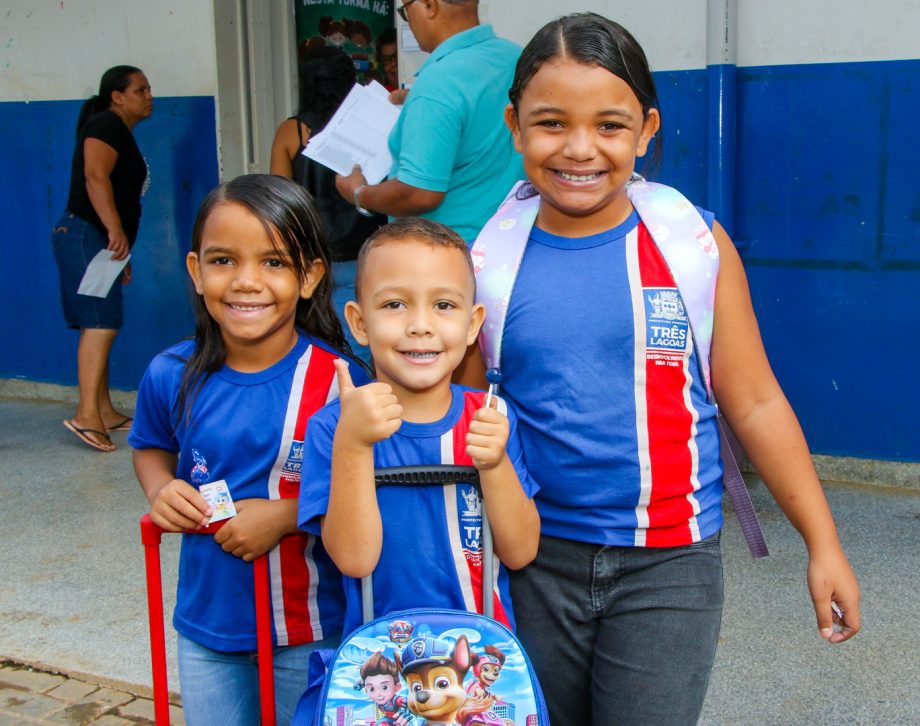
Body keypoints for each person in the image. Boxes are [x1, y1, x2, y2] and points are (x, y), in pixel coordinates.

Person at [456, 13, 862, 726]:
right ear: (514, 125)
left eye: (609, 126)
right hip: (533, 557)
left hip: (671, 563)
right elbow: (457, 416)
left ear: (647, 130)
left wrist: (822, 543)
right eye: (551, 124)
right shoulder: (486, 262)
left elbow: (756, 399)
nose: (580, 149)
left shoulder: (691, 243)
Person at [128, 175, 370, 725]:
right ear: (195, 271)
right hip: (207, 621)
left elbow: (369, 488)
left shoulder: (340, 382)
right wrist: (161, 488)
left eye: (274, 262)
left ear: (309, 277)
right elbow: (148, 447)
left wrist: (287, 515)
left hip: (310, 624)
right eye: (223, 261)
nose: (246, 282)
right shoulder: (169, 374)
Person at [298, 217, 540, 636]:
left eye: (443, 305)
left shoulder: (489, 417)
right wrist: (354, 445)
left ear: (472, 324)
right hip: (379, 667)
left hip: (484, 659)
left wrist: (496, 465)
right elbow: (354, 560)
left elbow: (520, 552)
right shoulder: (334, 427)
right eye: (394, 305)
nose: (420, 325)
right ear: (359, 322)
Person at [335, 0, 523, 243]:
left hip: (449, 253)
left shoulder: (438, 82)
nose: (409, 21)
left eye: (405, 11)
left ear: (428, 5)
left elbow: (420, 193)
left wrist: (359, 193)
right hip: (512, 241)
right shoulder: (517, 57)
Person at [52, 65, 152, 452]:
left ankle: (104, 410)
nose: (149, 96)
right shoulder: (106, 125)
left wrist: (119, 251)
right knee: (99, 323)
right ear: (117, 96)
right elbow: (95, 177)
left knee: (103, 320)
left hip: (97, 239)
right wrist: (114, 231)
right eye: (140, 89)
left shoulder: (117, 130)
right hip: (84, 233)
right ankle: (86, 416)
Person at [270, 44, 384, 366]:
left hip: (310, 257)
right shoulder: (366, 129)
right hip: (362, 252)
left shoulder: (291, 131)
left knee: (312, 348)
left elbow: (279, 200)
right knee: (360, 348)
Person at [374, 27, 399, 92]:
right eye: (386, 60)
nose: (394, 63)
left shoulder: (422, 87)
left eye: (397, 56)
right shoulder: (381, 96)